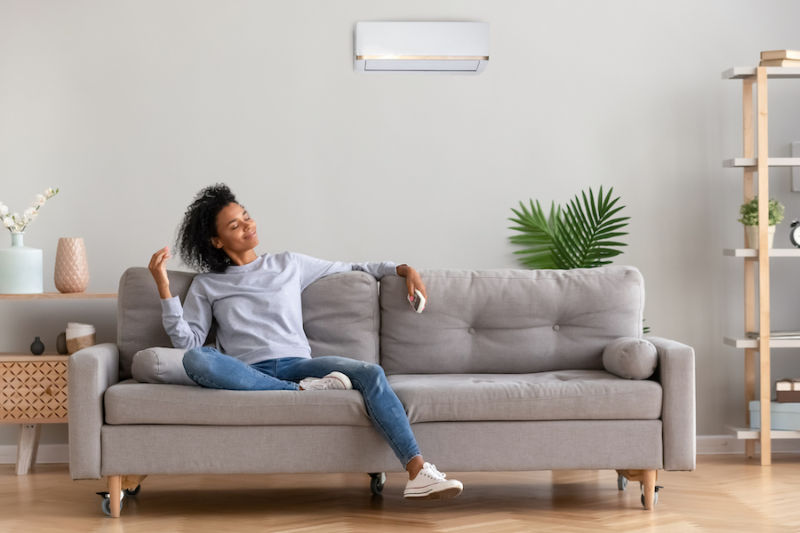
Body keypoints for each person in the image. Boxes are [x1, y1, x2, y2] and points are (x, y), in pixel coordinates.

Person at [147, 183, 463, 500]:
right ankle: (301, 391)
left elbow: (355, 267)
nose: (248, 226)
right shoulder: (207, 284)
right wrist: (164, 286)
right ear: (216, 241)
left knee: (371, 372)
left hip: (299, 365)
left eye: (246, 217)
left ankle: (418, 471)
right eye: (235, 225)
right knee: (197, 360)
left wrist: (406, 270)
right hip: (248, 373)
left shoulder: (288, 264)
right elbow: (188, 343)